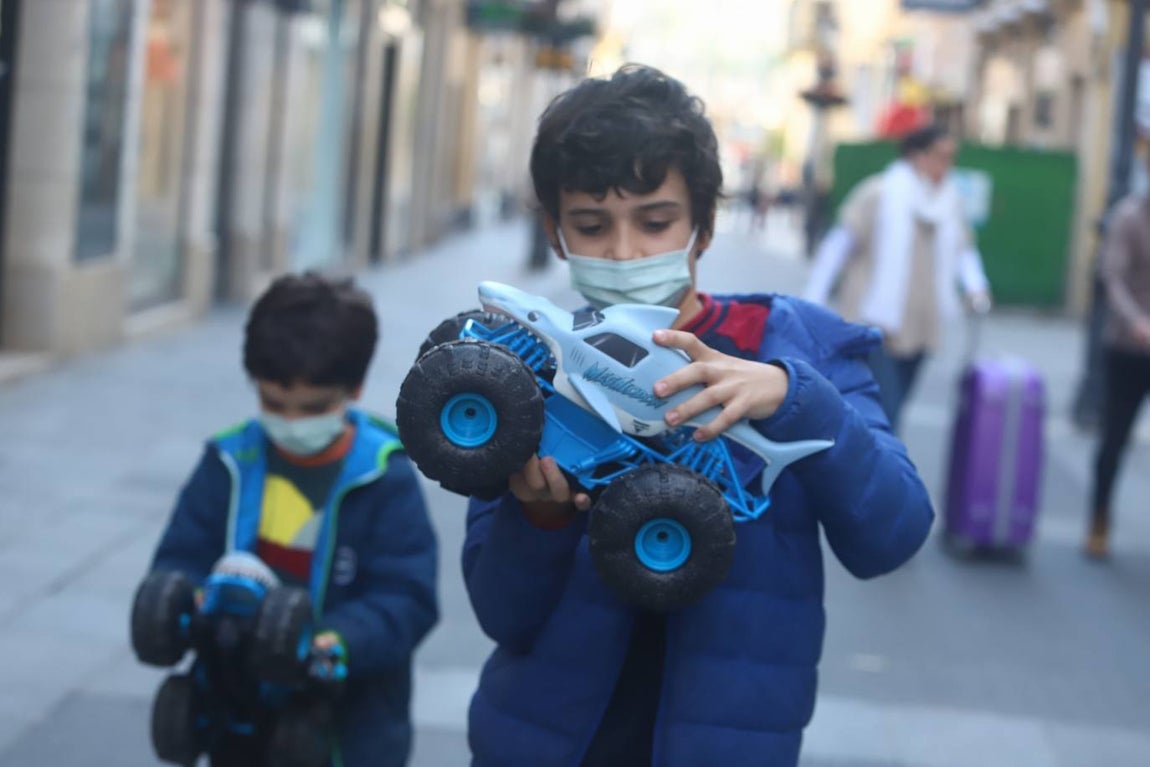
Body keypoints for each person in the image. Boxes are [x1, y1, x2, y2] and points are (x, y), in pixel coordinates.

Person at [461, 64, 934, 767]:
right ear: (557, 237)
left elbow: (893, 533)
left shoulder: (794, 344)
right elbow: (502, 613)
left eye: (656, 222)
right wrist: (539, 519)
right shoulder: (529, 367)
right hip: (546, 741)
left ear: (704, 227)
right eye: (591, 225)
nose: (624, 252)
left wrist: (793, 394)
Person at [146, 273, 438, 766]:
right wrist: (191, 598)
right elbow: (181, 556)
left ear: (355, 387)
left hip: (345, 733)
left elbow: (406, 598)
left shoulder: (383, 479)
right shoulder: (229, 462)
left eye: (313, 408)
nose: (293, 423)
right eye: (274, 404)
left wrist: (336, 642)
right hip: (237, 715)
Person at [803, 125, 992, 433]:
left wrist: (976, 287)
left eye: (951, 158)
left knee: (896, 405)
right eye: (941, 156)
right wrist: (812, 301)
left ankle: (868, 468)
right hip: (875, 323)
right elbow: (837, 246)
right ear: (917, 156)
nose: (947, 165)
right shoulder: (879, 192)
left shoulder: (949, 202)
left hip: (921, 325)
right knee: (886, 412)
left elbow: (963, 252)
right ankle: (876, 476)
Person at [1085, 155, 1150, 559]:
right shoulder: (1129, 217)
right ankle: (1099, 517)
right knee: (1114, 437)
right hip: (1129, 347)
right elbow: (1112, 276)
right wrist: (1138, 323)